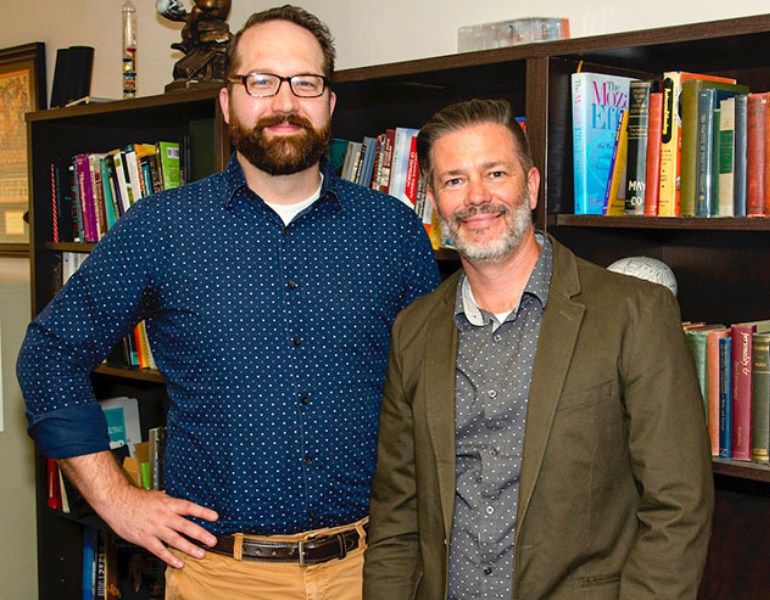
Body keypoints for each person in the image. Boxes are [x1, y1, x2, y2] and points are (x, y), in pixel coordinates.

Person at [18, 5, 440, 599]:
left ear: (329, 103)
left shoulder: (393, 230)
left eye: (306, 83)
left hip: (374, 570)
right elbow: (48, 356)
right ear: (227, 102)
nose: (285, 102)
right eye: (261, 82)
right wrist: (117, 501)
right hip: (221, 576)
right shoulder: (162, 227)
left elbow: (440, 386)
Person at [363, 98, 714, 600]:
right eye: (454, 180)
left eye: (495, 172)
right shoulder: (414, 331)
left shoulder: (635, 314)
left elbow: (679, 506)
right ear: (435, 201)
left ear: (530, 185)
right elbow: (397, 516)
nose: (476, 197)